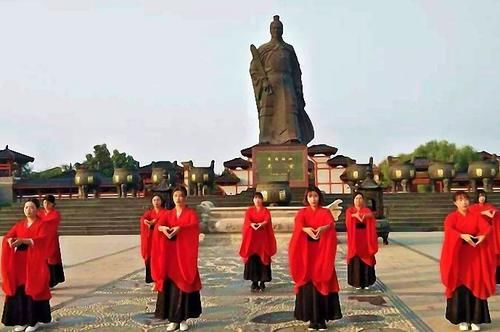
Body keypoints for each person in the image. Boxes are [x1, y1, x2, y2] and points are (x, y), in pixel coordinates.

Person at [250, 15, 314, 145]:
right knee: (268, 110)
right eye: (274, 28)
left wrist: (297, 88)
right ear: (270, 30)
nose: (276, 30)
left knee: (289, 108)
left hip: (286, 82)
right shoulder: (263, 49)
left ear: (282, 30)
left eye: (279, 28)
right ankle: (266, 138)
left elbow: (296, 71)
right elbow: (254, 69)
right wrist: (263, 81)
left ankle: (291, 136)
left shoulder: (288, 49)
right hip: (270, 83)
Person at [440, 191, 495, 331]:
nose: (464, 202)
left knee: (476, 284)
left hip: (474, 255)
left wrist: (482, 237)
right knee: (460, 287)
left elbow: (487, 228)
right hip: (458, 256)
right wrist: (460, 235)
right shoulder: (451, 217)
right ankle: (462, 319)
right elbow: (448, 230)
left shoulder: (475, 216)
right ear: (455, 203)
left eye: (465, 199)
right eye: (460, 200)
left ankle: (476, 319)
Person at [288, 186, 342, 331]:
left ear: (320, 197)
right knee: (308, 286)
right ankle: (312, 319)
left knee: (324, 281)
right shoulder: (302, 213)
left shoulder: (325, 212)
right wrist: (304, 229)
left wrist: (324, 228)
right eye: (310, 196)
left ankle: (322, 319)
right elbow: (298, 224)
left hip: (322, 253)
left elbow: (330, 225)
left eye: (316, 196)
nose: (313, 199)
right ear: (306, 198)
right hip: (306, 255)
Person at [151, 186, 202, 331]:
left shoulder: (191, 213)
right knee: (171, 289)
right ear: (172, 198)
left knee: (184, 287)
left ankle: (183, 319)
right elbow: (159, 225)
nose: (178, 199)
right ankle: (173, 319)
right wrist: (162, 229)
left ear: (185, 197)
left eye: (181, 196)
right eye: (175, 196)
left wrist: (181, 228)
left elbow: (193, 227)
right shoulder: (168, 214)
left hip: (185, 256)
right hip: (170, 256)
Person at [2, 199, 52, 332]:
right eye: (26, 207)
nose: (28, 210)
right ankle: (22, 320)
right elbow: (8, 236)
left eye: (31, 207)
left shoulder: (42, 225)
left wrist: (24, 240)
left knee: (34, 288)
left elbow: (43, 240)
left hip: (35, 262)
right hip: (19, 262)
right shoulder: (19, 225)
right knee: (20, 289)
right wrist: (10, 241)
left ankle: (34, 321)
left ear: (37, 209)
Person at [239, 192, 277, 292]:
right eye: (255, 198)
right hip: (252, 240)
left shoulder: (265, 210)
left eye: (259, 198)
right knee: (253, 260)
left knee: (263, 259)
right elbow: (247, 220)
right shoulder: (249, 210)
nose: (257, 200)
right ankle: (254, 282)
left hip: (263, 239)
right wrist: (251, 224)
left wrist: (262, 224)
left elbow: (267, 220)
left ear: (262, 200)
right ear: (253, 200)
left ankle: (262, 282)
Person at [345, 192, 378, 290]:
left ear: (363, 200)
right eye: (356, 199)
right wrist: (354, 216)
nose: (358, 201)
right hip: (355, 238)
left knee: (367, 257)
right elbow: (348, 221)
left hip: (365, 238)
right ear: (353, 200)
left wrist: (367, 216)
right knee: (356, 259)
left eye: (360, 198)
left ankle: (367, 282)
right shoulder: (350, 211)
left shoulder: (367, 210)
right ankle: (356, 282)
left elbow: (371, 218)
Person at [470, 189, 500, 283]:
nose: (482, 198)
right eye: (480, 196)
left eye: (483, 196)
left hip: (489, 236)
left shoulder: (489, 206)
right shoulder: (472, 207)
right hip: (477, 234)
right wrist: (482, 213)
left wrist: (494, 214)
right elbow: (470, 216)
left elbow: (495, 212)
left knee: (489, 258)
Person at [38, 195, 65, 288]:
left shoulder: (55, 214)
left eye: (48, 203)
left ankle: (52, 280)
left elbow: (47, 222)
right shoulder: (40, 213)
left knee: (51, 259)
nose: (46, 205)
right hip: (41, 239)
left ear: (53, 204)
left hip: (51, 239)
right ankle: (44, 280)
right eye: (44, 202)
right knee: (42, 260)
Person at [139, 195, 166, 284]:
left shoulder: (165, 212)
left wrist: (156, 222)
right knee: (150, 259)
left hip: (160, 240)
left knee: (160, 260)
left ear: (161, 201)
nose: (156, 202)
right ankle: (152, 278)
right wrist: (145, 222)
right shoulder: (149, 213)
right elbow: (143, 219)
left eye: (158, 200)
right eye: (154, 200)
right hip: (150, 240)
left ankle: (160, 279)